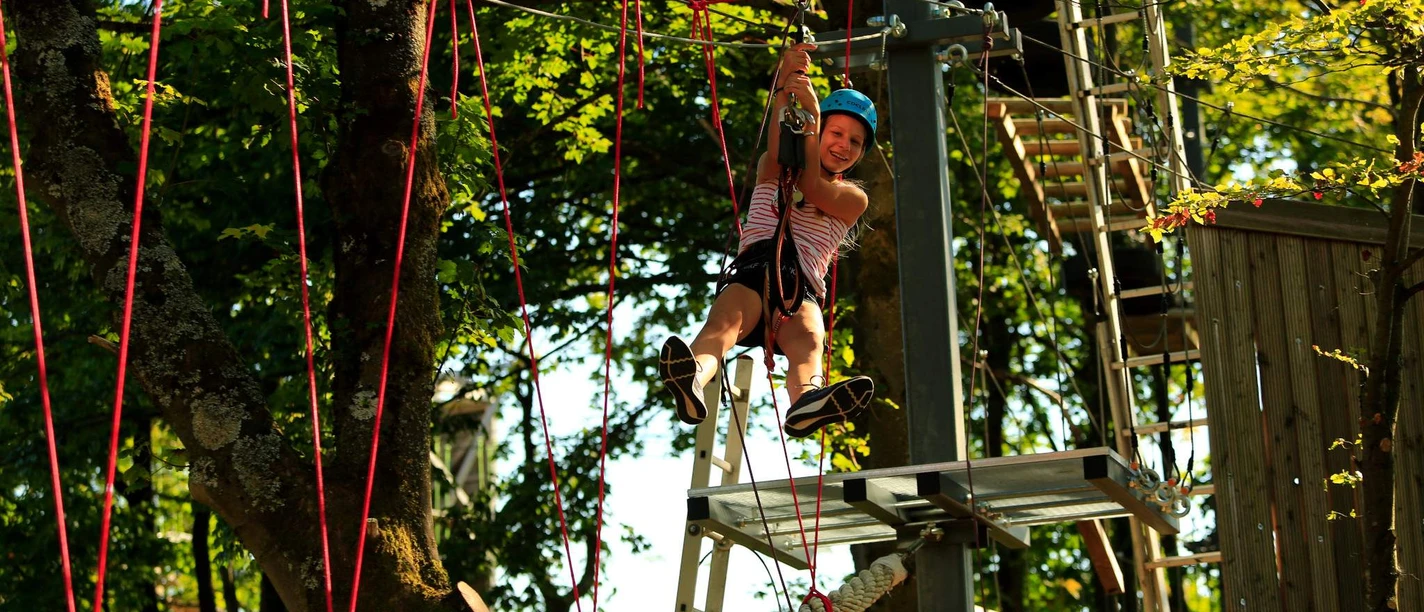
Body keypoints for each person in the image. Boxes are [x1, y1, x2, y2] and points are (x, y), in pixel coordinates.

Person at [659, 43, 877, 438]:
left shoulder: (852, 199)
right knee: (722, 326)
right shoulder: (771, 166)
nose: (844, 145)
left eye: (856, 142)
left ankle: (807, 400)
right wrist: (786, 89)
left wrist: (810, 114)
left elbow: (811, 185)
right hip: (754, 273)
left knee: (809, 338)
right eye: (837, 132)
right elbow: (782, 144)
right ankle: (694, 376)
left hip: (801, 290)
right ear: (818, 130)